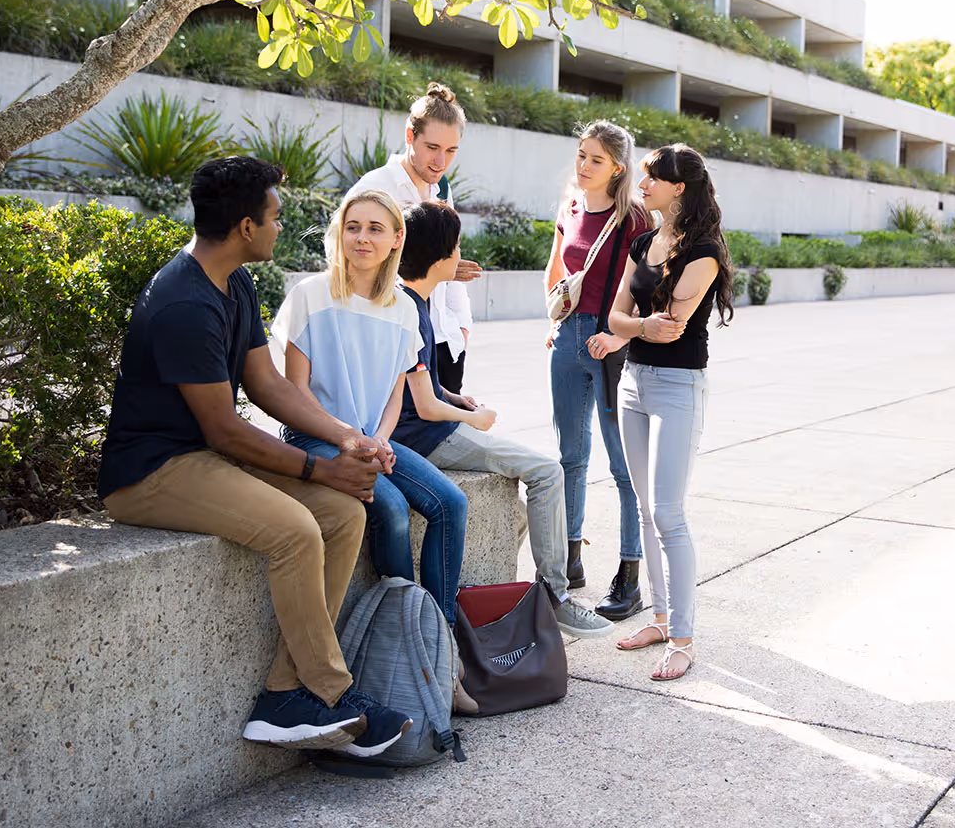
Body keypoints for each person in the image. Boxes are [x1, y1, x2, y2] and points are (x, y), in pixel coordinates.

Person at [98, 156, 411, 758]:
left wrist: (348, 438)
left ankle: (283, 694)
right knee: (297, 530)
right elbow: (225, 431)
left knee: (345, 514)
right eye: (273, 216)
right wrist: (322, 468)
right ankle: (329, 691)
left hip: (202, 458)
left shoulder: (234, 282)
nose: (279, 227)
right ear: (245, 226)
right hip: (151, 472)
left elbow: (267, 387)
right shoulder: (183, 303)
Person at [270, 189, 475, 714]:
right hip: (315, 436)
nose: (363, 237)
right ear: (339, 233)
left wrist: (379, 438)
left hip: (371, 438)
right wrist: (350, 438)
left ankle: (442, 654)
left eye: (376, 229)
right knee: (388, 510)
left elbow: (395, 390)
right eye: (353, 226)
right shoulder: (311, 295)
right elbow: (295, 394)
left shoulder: (404, 308)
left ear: (395, 241)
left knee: (450, 503)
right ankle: (405, 645)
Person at [392, 200, 612, 638]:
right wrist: (476, 417)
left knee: (518, 509)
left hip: (423, 425)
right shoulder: (410, 310)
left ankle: (502, 597)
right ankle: (556, 595)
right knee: (548, 472)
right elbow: (427, 407)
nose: (459, 254)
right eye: (455, 246)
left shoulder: (406, 298)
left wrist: (456, 396)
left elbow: (418, 384)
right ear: (442, 256)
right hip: (427, 436)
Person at [591, 144, 734, 680]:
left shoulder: (703, 250)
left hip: (678, 386)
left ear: (678, 188)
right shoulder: (643, 242)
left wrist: (632, 326)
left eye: (652, 177)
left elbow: (668, 324)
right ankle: (658, 616)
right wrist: (634, 327)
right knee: (646, 507)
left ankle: (683, 637)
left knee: (669, 512)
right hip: (634, 382)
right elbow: (617, 315)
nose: (642, 184)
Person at [545, 120, 650, 618]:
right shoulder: (569, 206)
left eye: (595, 160)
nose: (583, 166)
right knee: (570, 456)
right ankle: (570, 562)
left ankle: (629, 578)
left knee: (622, 467)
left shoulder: (634, 219)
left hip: (613, 345)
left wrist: (621, 334)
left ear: (617, 169)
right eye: (581, 155)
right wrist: (555, 320)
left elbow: (651, 287)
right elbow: (557, 267)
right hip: (568, 338)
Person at [346, 82, 480, 394]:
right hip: (393, 344)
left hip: (445, 343)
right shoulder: (375, 188)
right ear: (410, 136)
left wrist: (462, 326)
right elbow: (346, 261)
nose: (441, 162)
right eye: (432, 148)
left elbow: (450, 261)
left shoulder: (442, 189)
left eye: (450, 151)